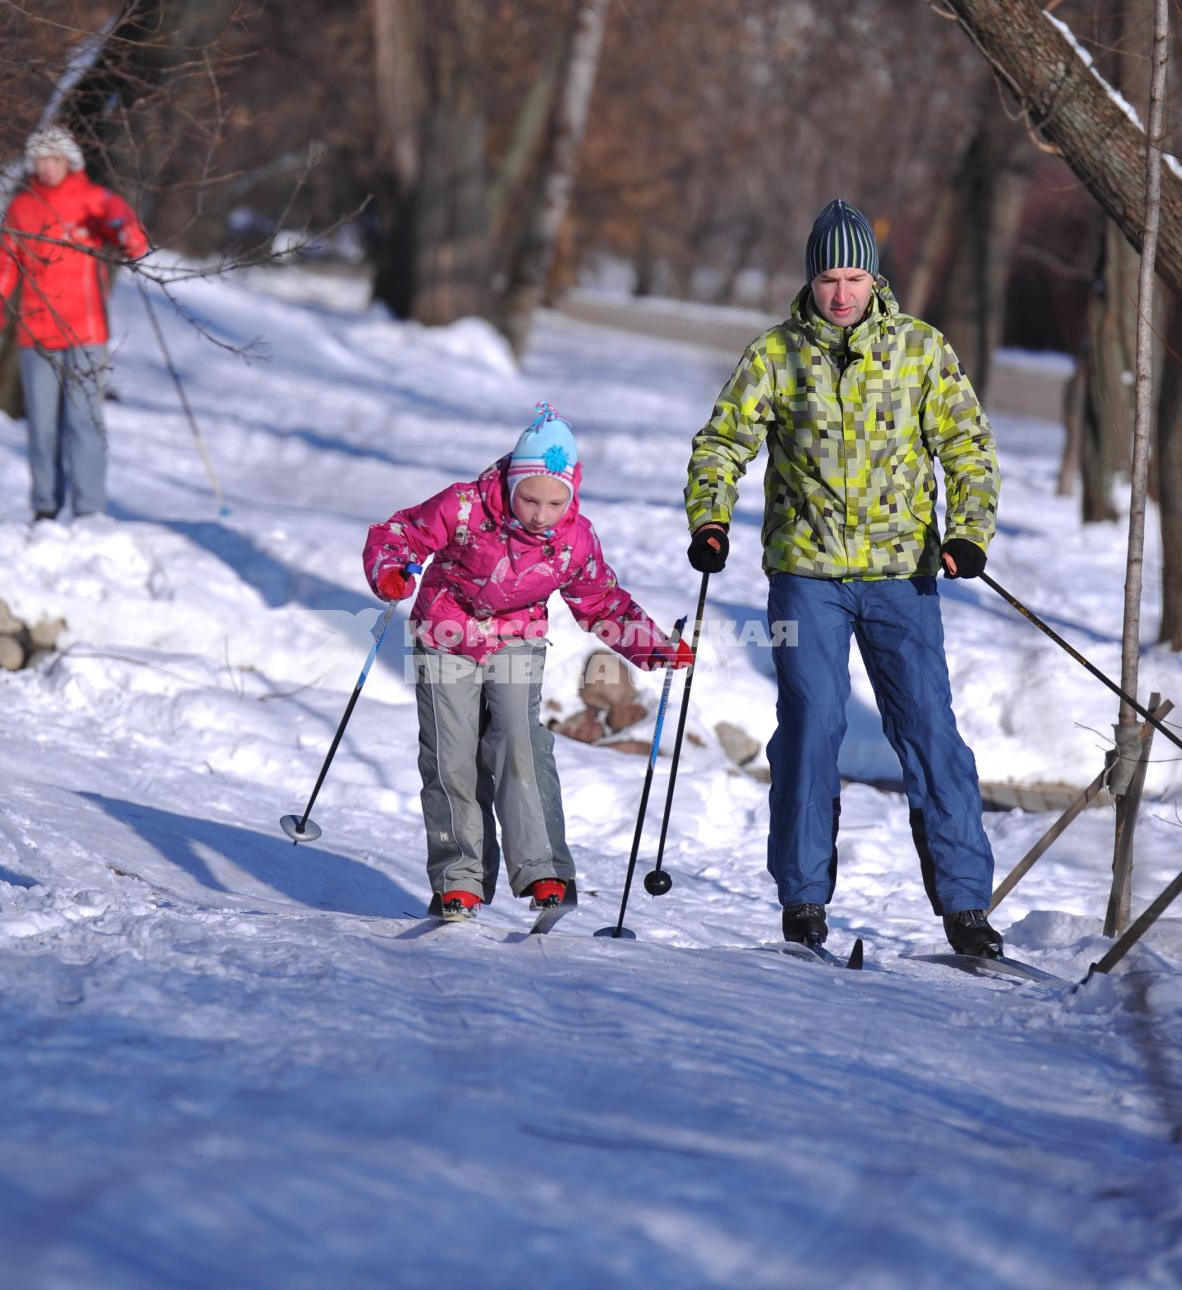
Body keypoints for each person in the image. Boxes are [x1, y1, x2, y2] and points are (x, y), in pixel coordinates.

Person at [683, 199, 1004, 958]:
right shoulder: (775, 355)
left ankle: (965, 908)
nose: (840, 292)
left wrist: (968, 534)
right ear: (811, 278)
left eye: (852, 275)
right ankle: (803, 901)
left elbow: (968, 448)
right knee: (811, 722)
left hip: (902, 576)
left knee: (929, 729)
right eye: (828, 276)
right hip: (808, 573)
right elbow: (721, 443)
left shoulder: (922, 351)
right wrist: (710, 518)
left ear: (873, 276)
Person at [364, 402, 693, 922]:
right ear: (510, 484)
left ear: (572, 495)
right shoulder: (464, 506)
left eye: (555, 502)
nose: (541, 514)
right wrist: (392, 571)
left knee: (518, 741)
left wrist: (652, 646)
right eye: (530, 499)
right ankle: (460, 879)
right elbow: (399, 534)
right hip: (446, 634)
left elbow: (601, 600)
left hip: (517, 639)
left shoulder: (574, 539)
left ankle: (543, 870)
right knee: (451, 756)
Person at [0, 125, 149, 522]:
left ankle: (89, 510)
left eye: (55, 159)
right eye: (40, 159)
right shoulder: (23, 206)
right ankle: (45, 507)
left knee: (83, 422)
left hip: (86, 331)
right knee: (41, 426)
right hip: (35, 332)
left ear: (70, 161)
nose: (48, 167)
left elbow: (135, 243)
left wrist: (124, 228)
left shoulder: (95, 200)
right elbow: (7, 261)